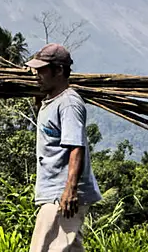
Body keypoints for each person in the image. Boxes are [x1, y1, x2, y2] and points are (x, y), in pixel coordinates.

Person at [25, 43, 102, 252]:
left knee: (45, 248)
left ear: (59, 71)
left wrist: (70, 190)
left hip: (61, 194)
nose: (37, 75)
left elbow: (76, 147)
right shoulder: (51, 101)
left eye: (42, 70)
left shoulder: (69, 103)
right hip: (54, 192)